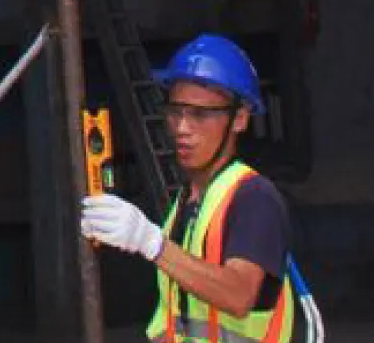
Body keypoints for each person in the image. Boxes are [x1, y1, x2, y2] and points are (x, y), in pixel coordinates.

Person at [80, 33, 320, 343]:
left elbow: (238, 295)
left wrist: (153, 244)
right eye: (175, 111)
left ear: (240, 119)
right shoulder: (186, 202)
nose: (182, 128)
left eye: (200, 114)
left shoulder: (254, 198)